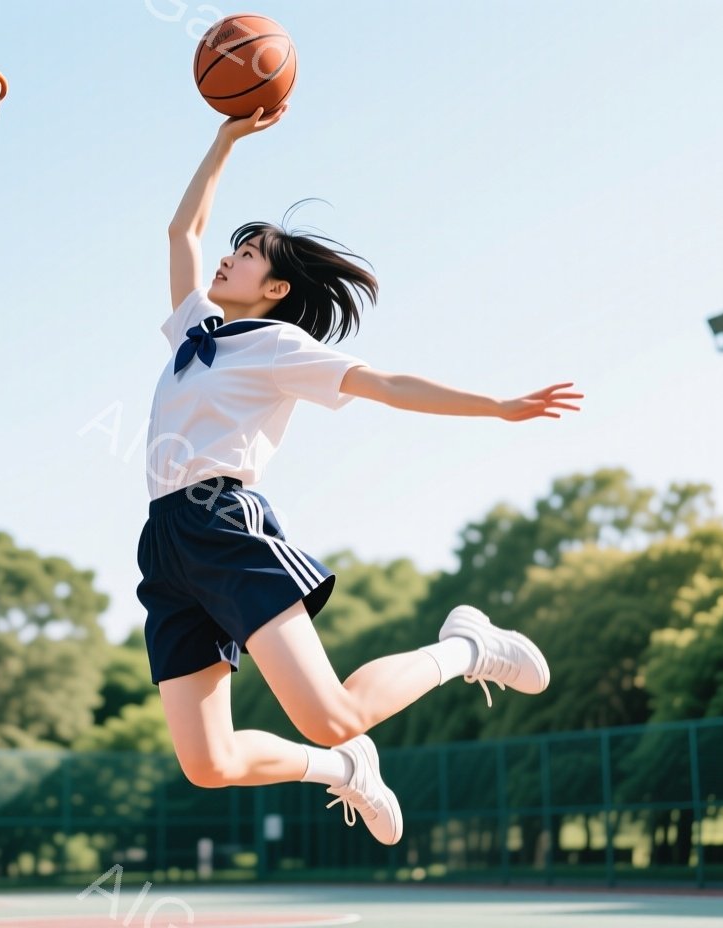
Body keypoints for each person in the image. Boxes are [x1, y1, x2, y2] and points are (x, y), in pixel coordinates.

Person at [138, 106, 582, 845]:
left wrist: (497, 406)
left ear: (276, 289)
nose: (226, 258)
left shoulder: (276, 345)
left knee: (333, 714)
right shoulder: (195, 327)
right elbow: (182, 232)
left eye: (246, 255)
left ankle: (468, 648)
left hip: (221, 524)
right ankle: (343, 770)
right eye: (234, 249)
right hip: (164, 542)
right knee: (209, 763)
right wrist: (224, 140)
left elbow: (388, 385)